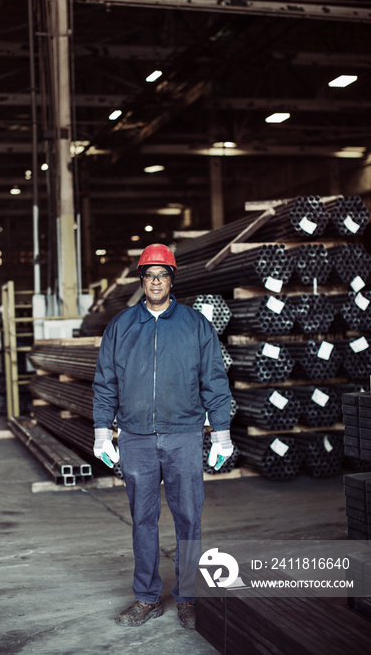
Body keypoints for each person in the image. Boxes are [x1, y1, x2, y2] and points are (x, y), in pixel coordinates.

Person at [92, 243, 233, 630]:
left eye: (163, 275)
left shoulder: (195, 325)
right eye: (150, 276)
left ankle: (188, 596)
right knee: (143, 518)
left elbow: (215, 381)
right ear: (141, 280)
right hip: (135, 436)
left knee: (189, 517)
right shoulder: (121, 326)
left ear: (173, 279)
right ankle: (147, 597)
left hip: (184, 434)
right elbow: (105, 383)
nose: (156, 281)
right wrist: (103, 432)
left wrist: (221, 433)